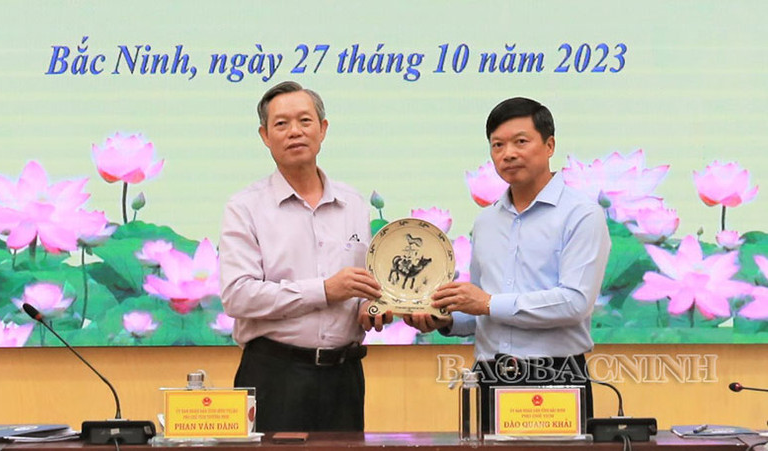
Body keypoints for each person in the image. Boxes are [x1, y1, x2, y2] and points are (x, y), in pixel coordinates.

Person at [405, 97, 611, 432]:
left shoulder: (581, 215)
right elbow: (484, 310)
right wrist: (445, 319)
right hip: (491, 373)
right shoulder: (486, 222)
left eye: (520, 141)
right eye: (497, 145)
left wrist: (485, 303)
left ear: (549, 145)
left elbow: (574, 303)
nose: (508, 153)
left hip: (556, 374)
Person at [219, 81, 391, 432]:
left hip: (345, 377)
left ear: (323, 129)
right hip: (274, 375)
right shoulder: (245, 207)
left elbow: (361, 285)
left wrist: (371, 307)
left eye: (305, 121)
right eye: (281, 124)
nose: (295, 131)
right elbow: (238, 296)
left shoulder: (353, 203)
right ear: (265, 136)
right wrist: (325, 290)